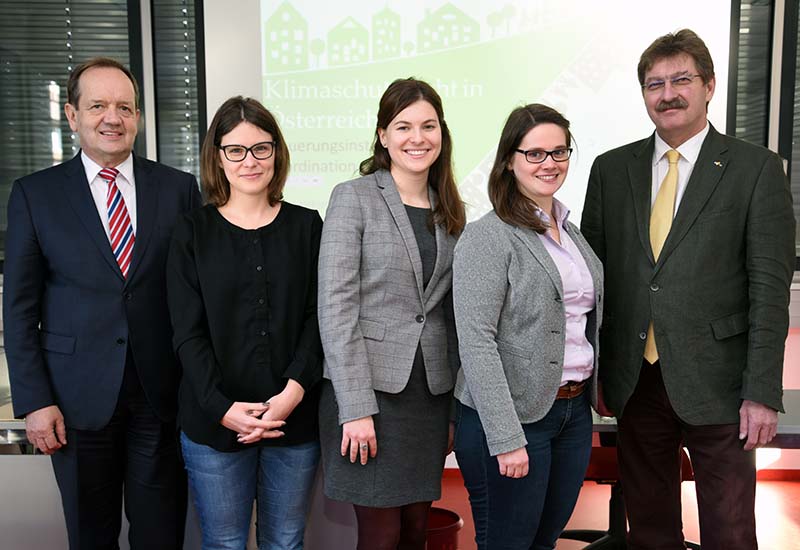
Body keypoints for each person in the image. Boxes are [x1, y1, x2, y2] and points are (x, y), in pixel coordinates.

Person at [581, 29, 795, 550]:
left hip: (723, 385)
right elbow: (593, 282)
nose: (668, 94)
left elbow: (770, 291)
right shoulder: (611, 170)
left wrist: (761, 391)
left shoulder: (756, 169)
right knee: (650, 532)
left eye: (682, 80)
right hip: (636, 382)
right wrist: (601, 371)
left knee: (730, 532)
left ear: (709, 86)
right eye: (655, 84)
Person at [3, 57, 200, 549]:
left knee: (161, 536)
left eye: (125, 107)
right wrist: (35, 401)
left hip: (160, 400)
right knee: (91, 537)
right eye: (98, 106)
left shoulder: (178, 189)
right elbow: (20, 309)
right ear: (72, 115)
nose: (113, 118)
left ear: (138, 117)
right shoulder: (35, 195)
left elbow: (194, 293)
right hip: (74, 402)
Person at [166, 96, 323, 550]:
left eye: (261, 148)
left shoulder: (307, 226)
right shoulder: (191, 232)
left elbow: (319, 319)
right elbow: (187, 333)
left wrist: (291, 394)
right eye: (235, 150)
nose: (249, 161)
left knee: (285, 541)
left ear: (277, 152)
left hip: (293, 417)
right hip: (214, 421)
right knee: (225, 543)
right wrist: (222, 408)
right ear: (218, 157)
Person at [317, 77, 465, 549]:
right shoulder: (353, 197)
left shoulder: (450, 208)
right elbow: (336, 308)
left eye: (428, 126)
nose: (417, 138)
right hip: (371, 399)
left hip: (428, 399)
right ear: (383, 135)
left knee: (417, 532)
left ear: (441, 133)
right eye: (403, 126)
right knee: (381, 536)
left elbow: (450, 316)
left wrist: (453, 411)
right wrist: (355, 408)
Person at [452, 104, 603, 549]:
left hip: (572, 412)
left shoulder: (570, 232)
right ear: (509, 160)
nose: (549, 163)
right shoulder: (489, 235)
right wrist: (505, 437)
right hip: (512, 418)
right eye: (534, 153)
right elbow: (477, 342)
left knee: (544, 542)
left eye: (559, 152)